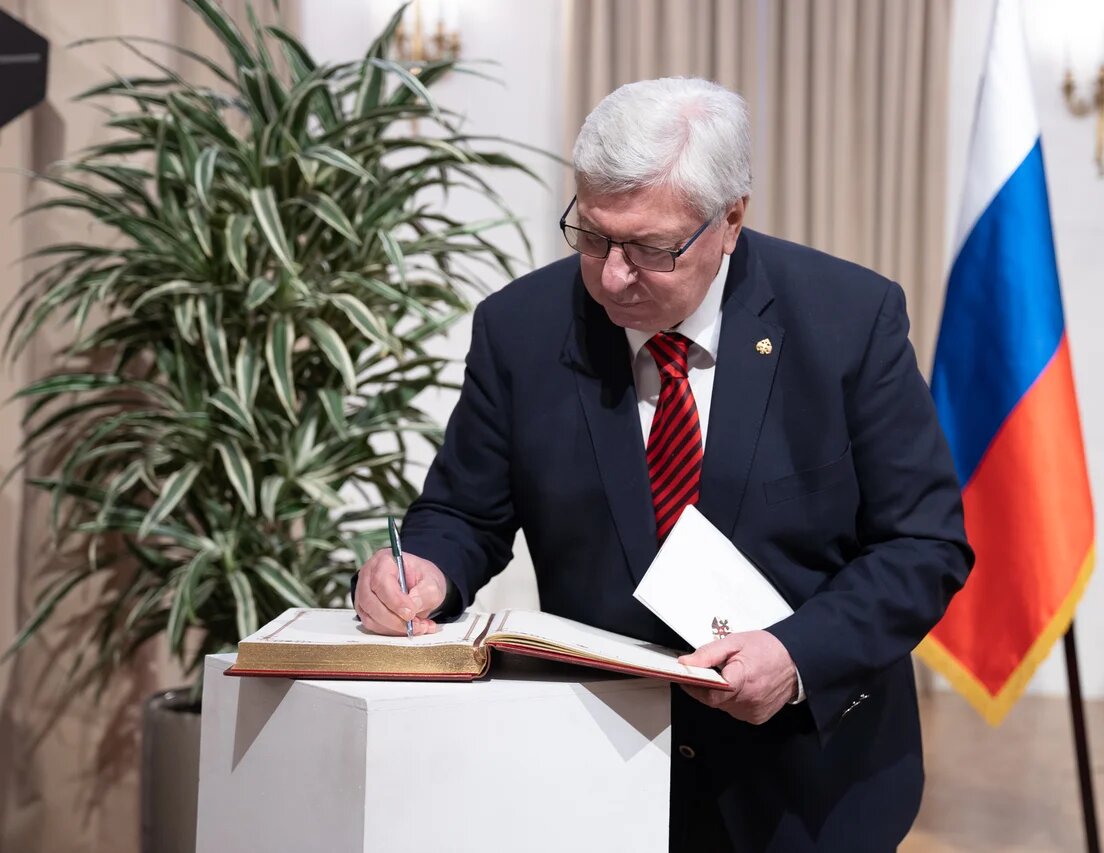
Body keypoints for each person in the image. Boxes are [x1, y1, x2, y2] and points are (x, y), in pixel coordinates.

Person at [353, 77, 973, 852]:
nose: (613, 275)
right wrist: (426, 571)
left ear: (731, 219)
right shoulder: (520, 329)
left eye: (650, 248)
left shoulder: (847, 320)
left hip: (808, 784)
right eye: (592, 236)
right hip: (597, 769)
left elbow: (923, 545)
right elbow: (462, 514)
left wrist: (796, 654)